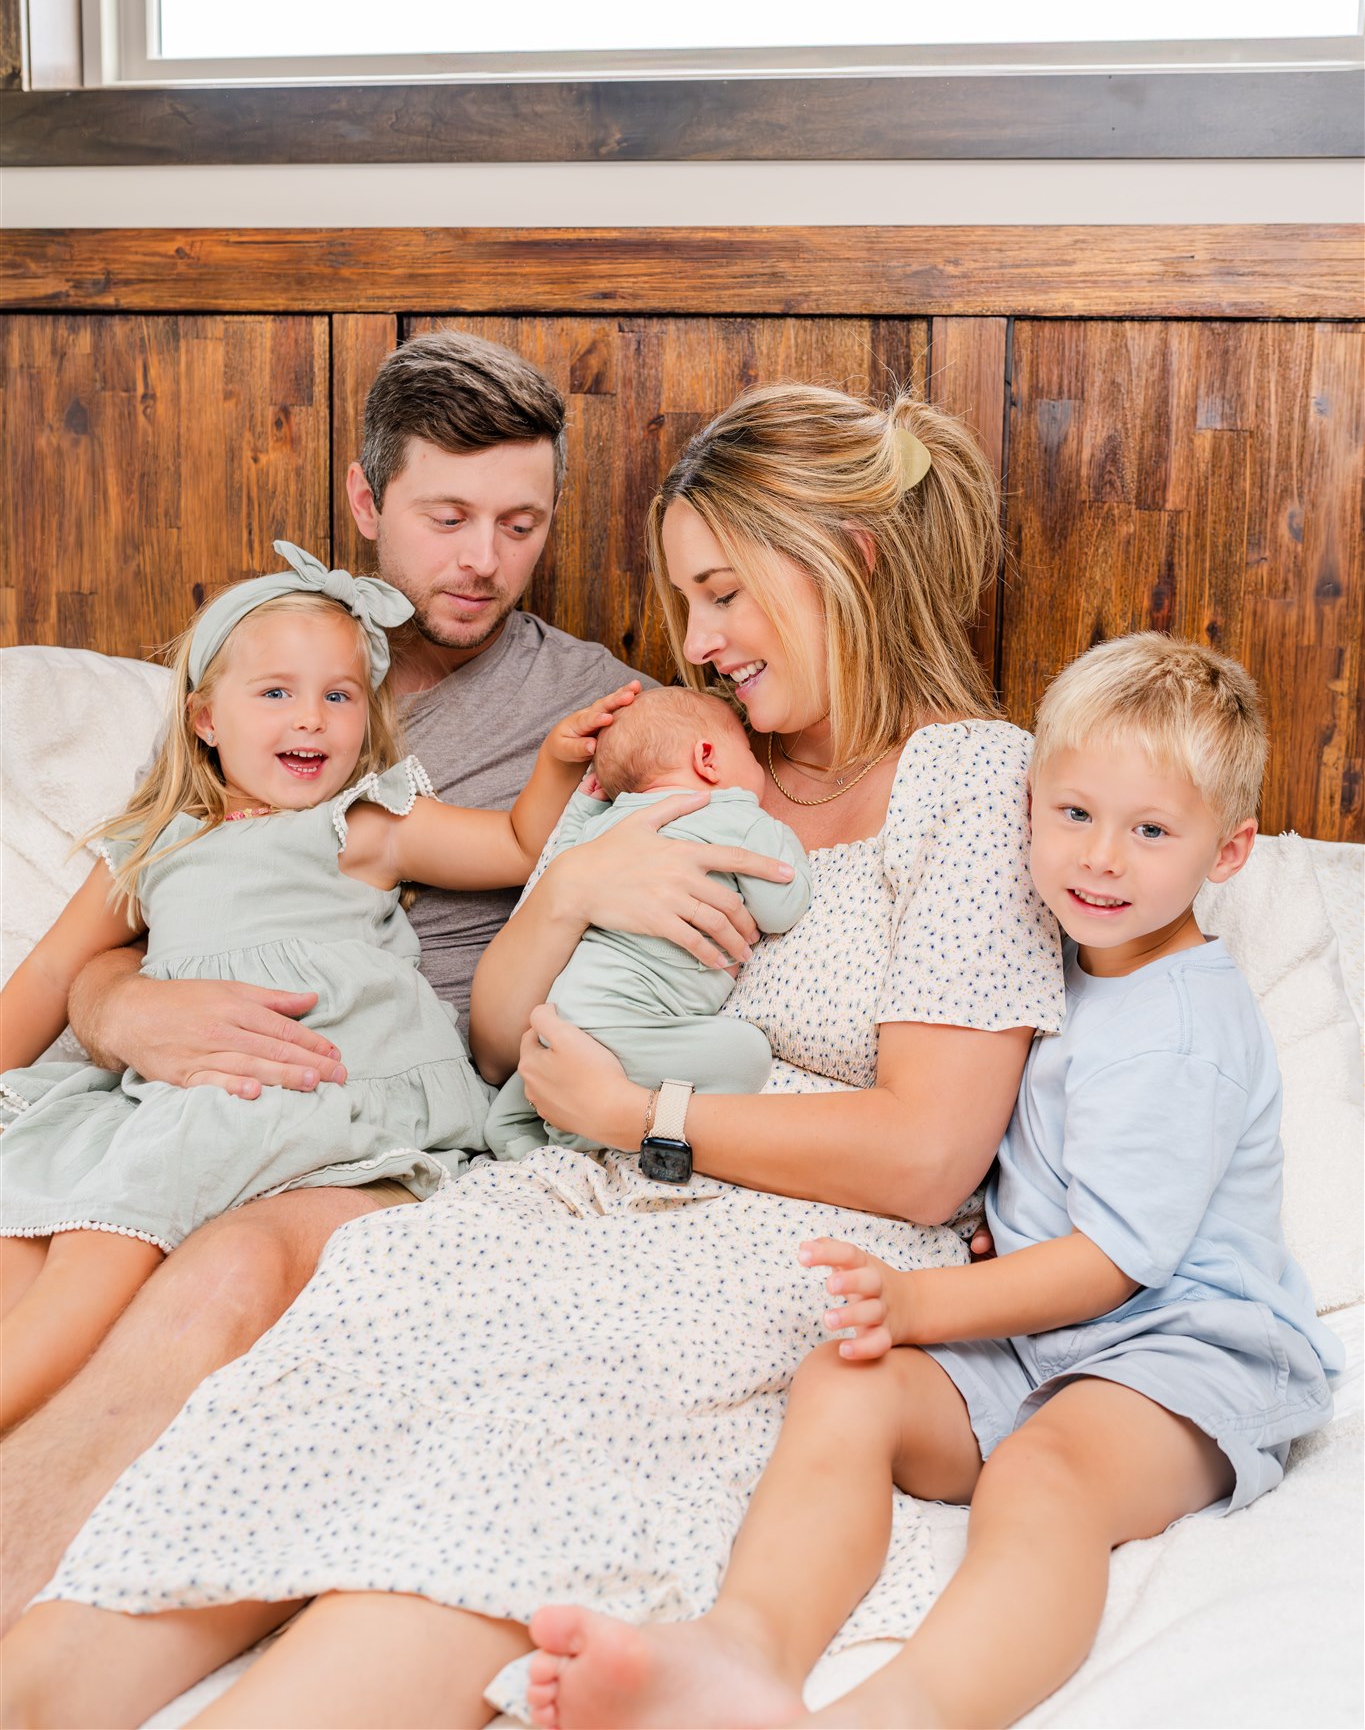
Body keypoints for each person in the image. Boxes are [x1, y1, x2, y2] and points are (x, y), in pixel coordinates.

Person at [1, 382, 1067, 1730]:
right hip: (552, 1187)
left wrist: (642, 1114)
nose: (699, 641)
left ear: (847, 562)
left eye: (724, 595)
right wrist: (574, 895)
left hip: (768, 1237)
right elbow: (512, 1046)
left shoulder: (973, 782)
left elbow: (925, 1156)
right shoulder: (692, 756)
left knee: (503, 1466)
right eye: (687, 603)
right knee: (319, 1389)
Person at [0, 332, 786, 1630]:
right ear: (368, 506)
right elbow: (168, 893)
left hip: (388, 1123)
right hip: (193, 1087)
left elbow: (723, 805)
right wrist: (115, 1007)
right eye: (447, 516)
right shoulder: (267, 684)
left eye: (521, 523)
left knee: (208, 1271)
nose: (483, 558)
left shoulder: (592, 710)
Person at [523, 633, 1344, 1730]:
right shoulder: (1062, 960)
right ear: (1030, 808)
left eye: (1151, 830)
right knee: (845, 1382)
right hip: (1035, 1331)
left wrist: (918, 1301)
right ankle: (744, 1649)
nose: (1101, 858)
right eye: (1074, 814)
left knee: (1044, 1476)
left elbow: (1111, 1262)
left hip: (1180, 1349)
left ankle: (905, 1709)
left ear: (1229, 851)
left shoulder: (1181, 1026)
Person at [0, 538, 639, 1431]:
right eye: (275, 694)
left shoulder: (363, 825)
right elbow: (55, 970)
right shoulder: (158, 847)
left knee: (97, 1245)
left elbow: (519, 848)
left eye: (338, 696)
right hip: (194, 1094)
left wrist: (556, 769)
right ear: (204, 720)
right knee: (20, 1228)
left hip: (321, 1085)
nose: (311, 720)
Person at [485, 687, 812, 1160]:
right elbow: (782, 908)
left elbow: (555, 865)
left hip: (564, 1012)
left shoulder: (608, 826)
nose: (759, 769)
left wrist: (581, 810)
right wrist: (786, 849)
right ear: (708, 759)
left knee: (545, 1060)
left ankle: (512, 1124)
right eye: (748, 753)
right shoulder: (737, 816)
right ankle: (582, 1133)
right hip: (638, 1024)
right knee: (748, 1055)